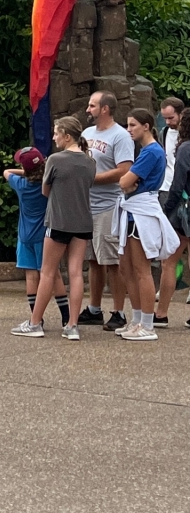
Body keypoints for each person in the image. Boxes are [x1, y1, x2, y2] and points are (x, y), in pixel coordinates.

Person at [11, 116, 95, 340]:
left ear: (67, 136)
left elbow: (45, 191)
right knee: (76, 272)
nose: (54, 137)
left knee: (47, 272)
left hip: (58, 221)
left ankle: (35, 322)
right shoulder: (90, 161)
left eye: (57, 133)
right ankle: (72, 325)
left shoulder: (55, 160)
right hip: (83, 221)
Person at [112, 109, 178, 341]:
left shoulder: (151, 152)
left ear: (146, 126)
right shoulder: (147, 151)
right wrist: (128, 183)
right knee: (127, 268)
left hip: (141, 213)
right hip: (132, 212)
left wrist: (128, 182)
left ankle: (147, 324)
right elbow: (126, 183)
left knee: (141, 270)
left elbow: (124, 181)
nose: (129, 130)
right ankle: (137, 319)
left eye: (132, 125)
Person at [77, 91, 134, 332]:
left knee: (112, 260)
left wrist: (93, 179)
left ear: (105, 109)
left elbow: (124, 170)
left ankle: (119, 312)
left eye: (92, 105)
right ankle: (94, 309)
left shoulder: (120, 136)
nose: (87, 109)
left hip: (109, 205)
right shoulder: (86, 134)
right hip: (86, 205)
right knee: (93, 259)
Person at [3, 146, 70, 327]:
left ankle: (36, 319)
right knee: (54, 275)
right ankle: (66, 318)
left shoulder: (20, 184)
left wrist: (26, 172)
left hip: (25, 236)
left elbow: (6, 171)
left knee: (31, 276)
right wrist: (43, 168)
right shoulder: (48, 184)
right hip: (45, 235)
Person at [155, 106, 190, 327]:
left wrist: (167, 209)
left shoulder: (185, 148)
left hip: (185, 209)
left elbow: (177, 185)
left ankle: (161, 314)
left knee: (170, 262)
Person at [158, 97, 184, 209]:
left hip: (183, 189)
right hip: (165, 187)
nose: (168, 122)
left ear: (181, 114)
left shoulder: (185, 134)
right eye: (165, 118)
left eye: (171, 118)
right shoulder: (164, 132)